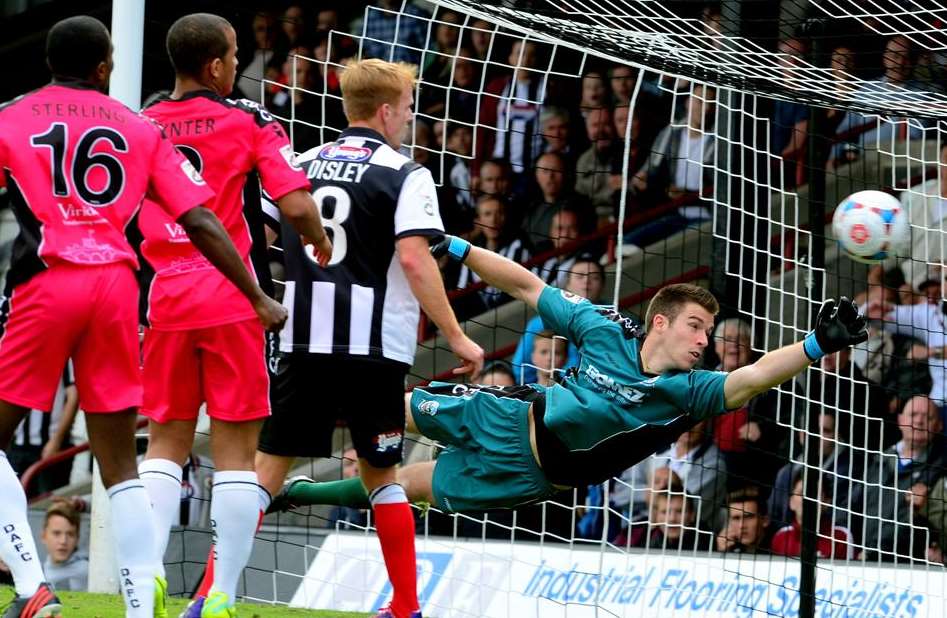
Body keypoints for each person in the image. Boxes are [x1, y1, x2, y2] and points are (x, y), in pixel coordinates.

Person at [271, 233, 868, 532]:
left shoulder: (686, 393)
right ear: (660, 321)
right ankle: (269, 413)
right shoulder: (604, 327)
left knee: (404, 484)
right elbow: (529, 287)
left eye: (707, 332)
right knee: (382, 405)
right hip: (507, 414)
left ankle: (292, 493)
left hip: (530, 472)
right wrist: (459, 246)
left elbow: (753, 377)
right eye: (695, 326)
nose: (703, 341)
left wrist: (816, 345)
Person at [0, 15, 286, 618]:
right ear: (105, 67)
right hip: (120, 286)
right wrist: (258, 294)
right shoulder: (136, 126)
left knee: (157, 446)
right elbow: (204, 217)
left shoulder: (14, 114)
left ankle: (31, 586)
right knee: (129, 467)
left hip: (60, 282)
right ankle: (158, 606)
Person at [257, 58, 484, 618]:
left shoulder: (297, 164)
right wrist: (456, 335)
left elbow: (260, 238)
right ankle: (405, 607)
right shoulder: (405, 174)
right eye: (407, 107)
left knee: (263, 475)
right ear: (386, 110)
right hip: (374, 351)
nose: (408, 118)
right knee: (383, 478)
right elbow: (414, 256)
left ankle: (210, 595)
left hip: (302, 338)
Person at [135, 14, 332, 618]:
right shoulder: (248, 119)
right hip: (233, 299)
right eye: (235, 56)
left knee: (164, 446)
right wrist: (318, 237)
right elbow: (296, 202)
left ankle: (144, 579)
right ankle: (220, 596)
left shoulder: (139, 124)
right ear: (217, 65)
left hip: (163, 297)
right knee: (236, 455)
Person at [770, 471, 854, 559]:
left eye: (814, 493)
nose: (806, 499)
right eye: (801, 493)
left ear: (826, 502)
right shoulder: (781, 537)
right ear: (791, 502)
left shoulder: (841, 536)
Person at [40, 499, 88, 592]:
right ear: (43, 536)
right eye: (57, 533)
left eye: (70, 534)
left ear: (77, 538)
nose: (63, 541)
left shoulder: (87, 572)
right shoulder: (36, 574)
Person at [716, 487, 769, 554]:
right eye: (736, 518)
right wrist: (722, 554)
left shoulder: (778, 547)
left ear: (765, 520)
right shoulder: (728, 547)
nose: (741, 525)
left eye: (748, 517)